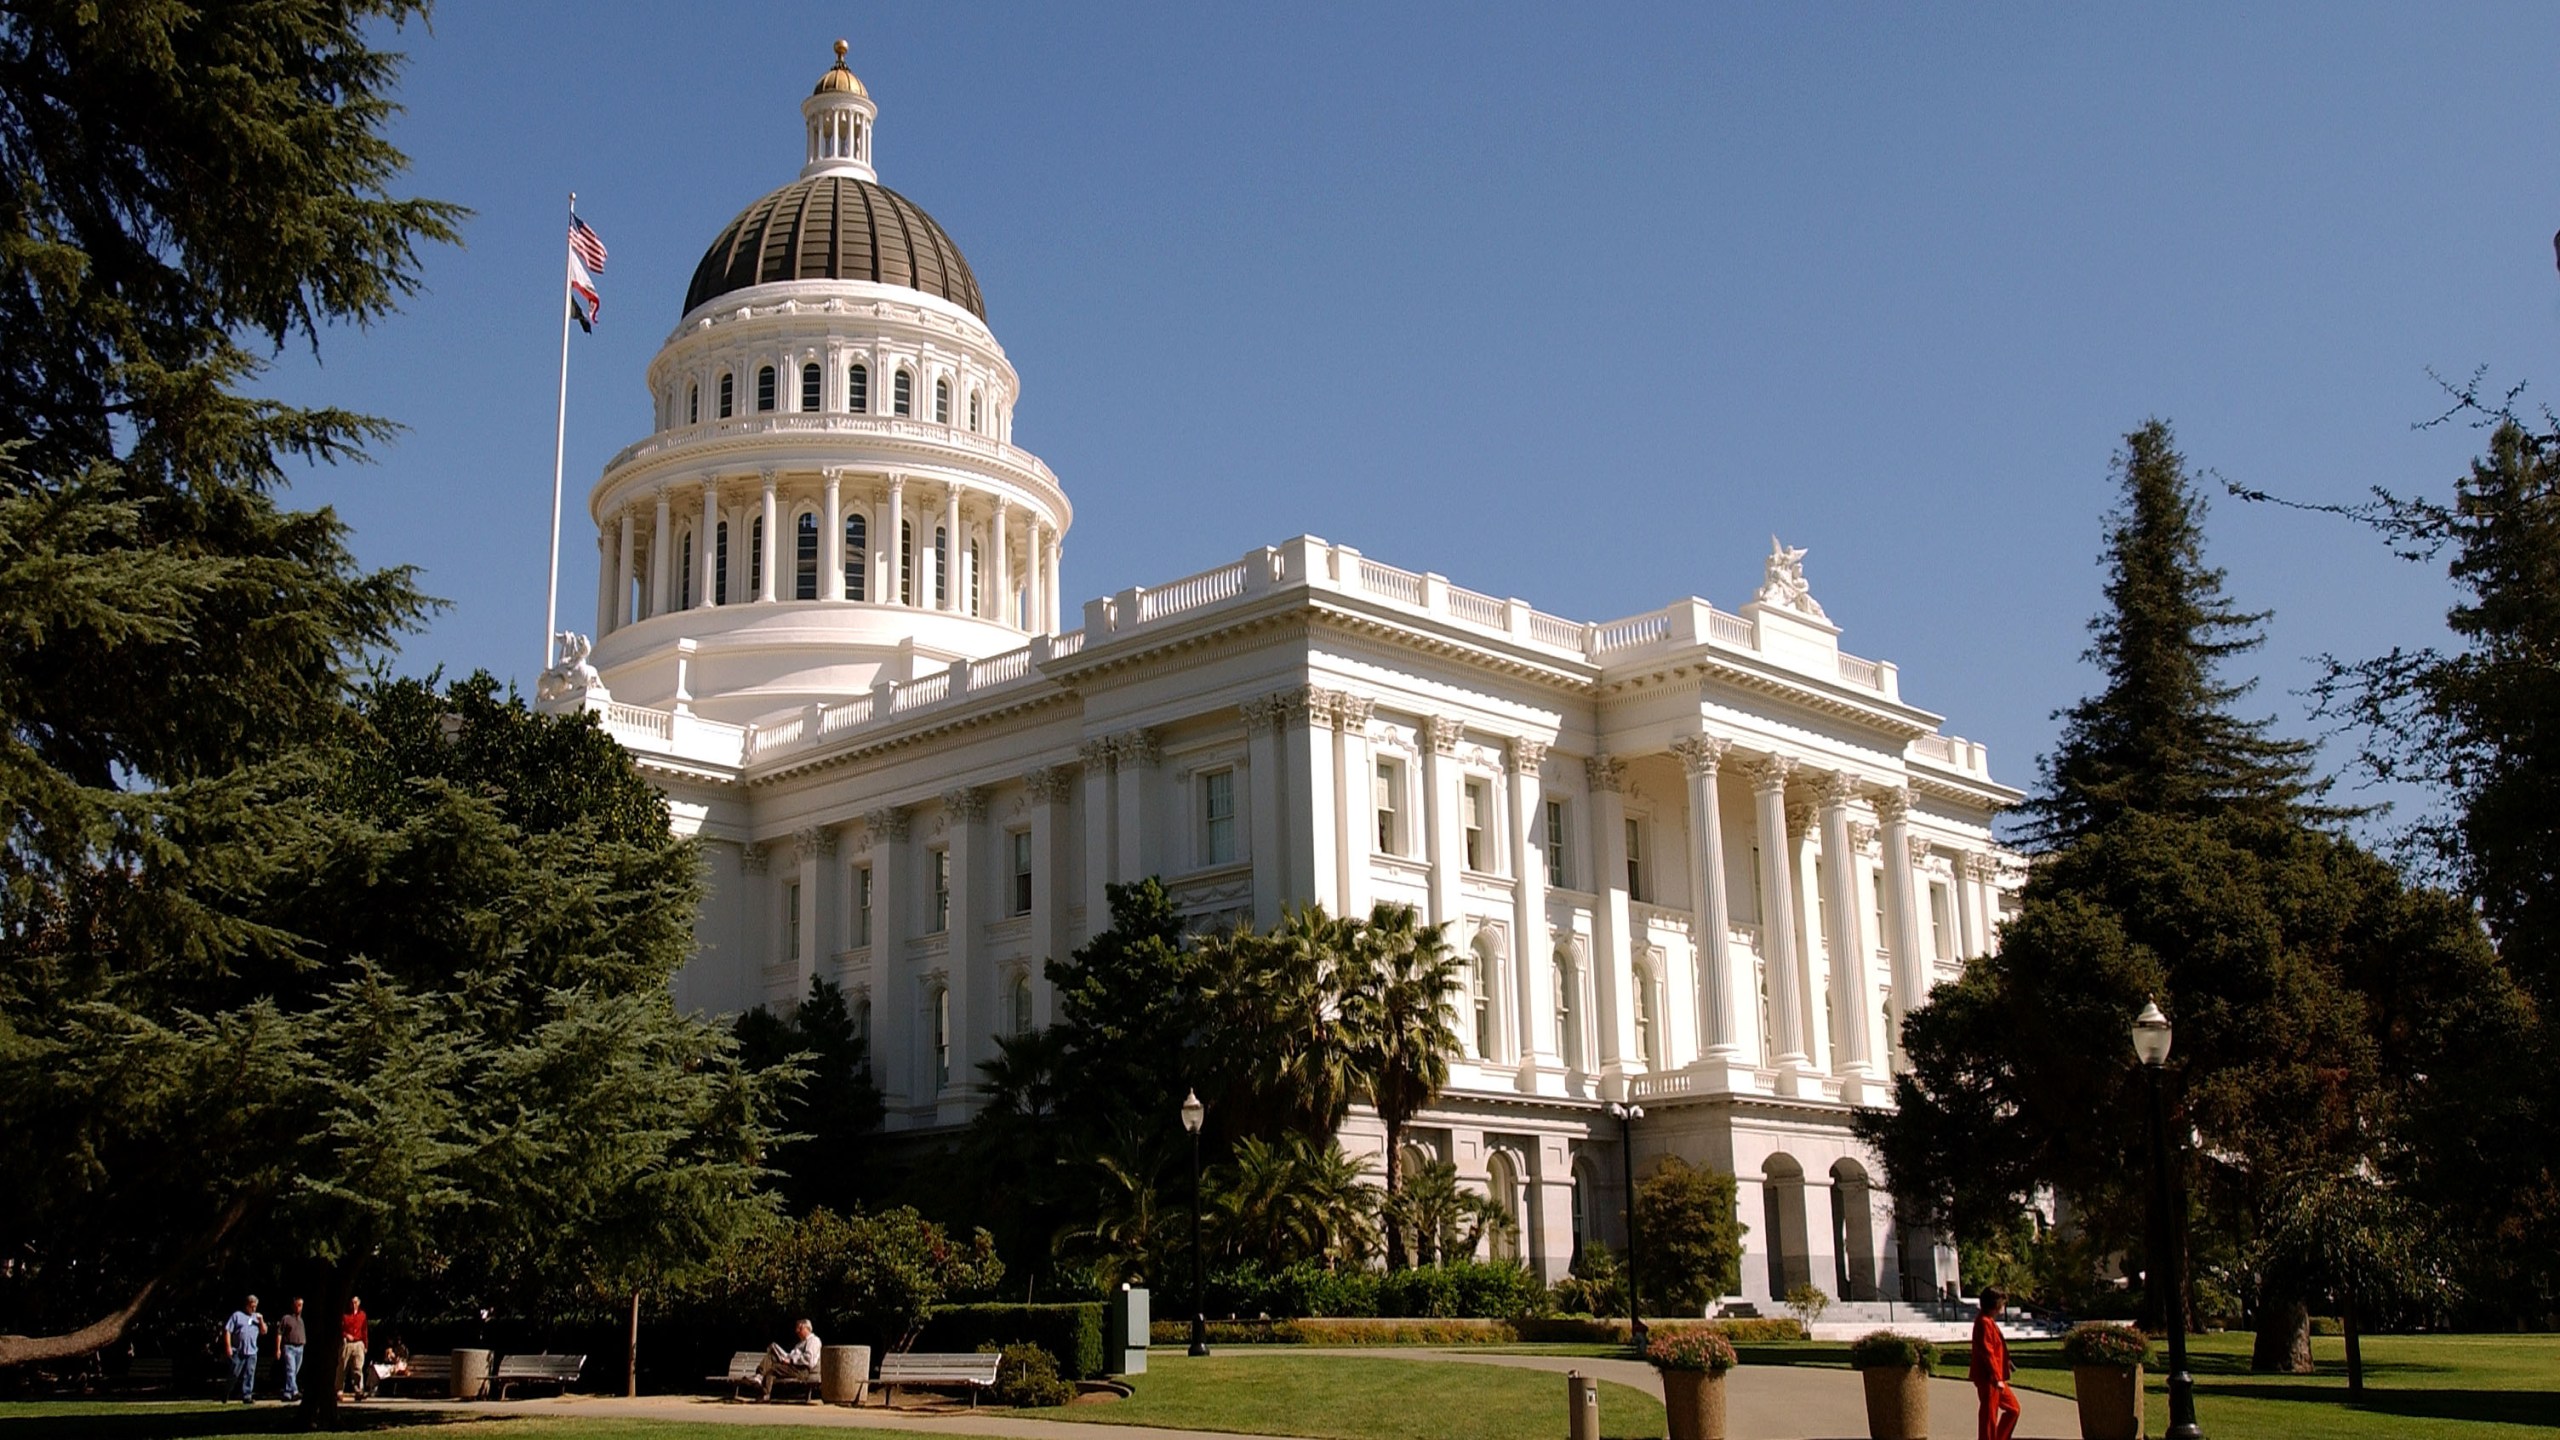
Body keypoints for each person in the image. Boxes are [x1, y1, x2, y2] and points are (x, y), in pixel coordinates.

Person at [1969, 1286, 2021, 1440]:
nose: (2003, 1308)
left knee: (2013, 1409)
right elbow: (1987, 1352)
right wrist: (1997, 1377)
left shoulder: (1988, 1321)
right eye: (2002, 1304)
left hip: (1995, 1376)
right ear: (1995, 1304)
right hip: (1989, 1378)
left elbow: (1995, 1348)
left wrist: (2007, 1362)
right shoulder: (1983, 1322)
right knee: (1989, 1417)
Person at [756, 1318, 821, 1400]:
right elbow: (790, 1356)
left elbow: (808, 1358)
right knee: (771, 1356)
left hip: (801, 1370)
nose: (797, 1331)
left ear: (806, 1328)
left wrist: (791, 1361)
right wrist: (780, 1353)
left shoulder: (813, 1340)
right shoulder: (800, 1343)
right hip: (793, 1367)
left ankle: (763, 1387)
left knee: (773, 1370)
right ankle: (760, 1379)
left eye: (799, 1328)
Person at [220, 1295, 265, 1403]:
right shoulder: (237, 1316)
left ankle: (247, 1396)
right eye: (252, 1306)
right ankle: (226, 1391)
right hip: (238, 1351)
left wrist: (261, 1320)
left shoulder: (257, 1318)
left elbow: (264, 1331)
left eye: (255, 1307)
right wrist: (228, 1347)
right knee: (234, 1373)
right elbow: (227, 1331)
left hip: (252, 1351)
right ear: (247, 1305)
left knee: (249, 1374)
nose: (254, 1309)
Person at [274, 1298, 307, 1402]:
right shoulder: (286, 1318)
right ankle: (295, 1392)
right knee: (291, 1370)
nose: (299, 1308)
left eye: (301, 1305)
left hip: (300, 1348)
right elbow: (279, 1334)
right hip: (289, 1347)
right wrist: (278, 1349)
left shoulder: (302, 1320)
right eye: (297, 1305)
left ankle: (287, 1393)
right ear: (293, 1306)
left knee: (294, 1372)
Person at [339, 1295, 371, 1398]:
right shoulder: (344, 1315)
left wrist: (365, 1345)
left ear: (359, 1303)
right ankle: (338, 1389)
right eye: (352, 1302)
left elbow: (365, 1330)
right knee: (342, 1367)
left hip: (359, 1343)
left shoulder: (362, 1315)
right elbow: (340, 1328)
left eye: (356, 1302)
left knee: (358, 1367)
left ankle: (358, 1390)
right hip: (347, 1343)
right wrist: (345, 1335)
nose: (354, 1305)